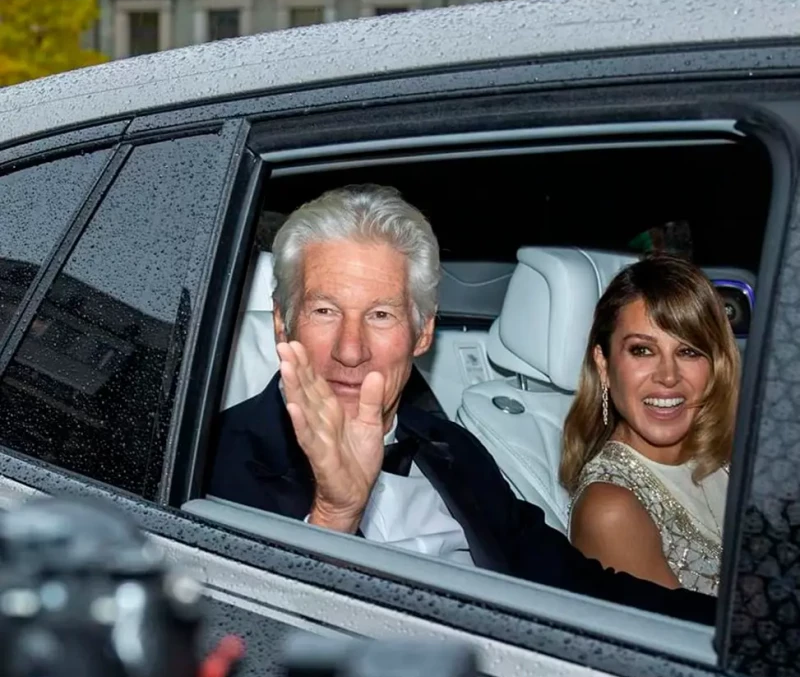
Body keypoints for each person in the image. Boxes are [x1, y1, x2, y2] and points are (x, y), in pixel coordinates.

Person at [208, 185, 713, 622]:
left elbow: (579, 587)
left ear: (423, 331)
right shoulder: (210, 462)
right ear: (282, 321)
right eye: (324, 310)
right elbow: (246, 659)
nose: (350, 349)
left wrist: (736, 632)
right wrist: (334, 515)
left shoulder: (450, 447)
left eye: (381, 315)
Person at [560, 254, 739, 597]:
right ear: (603, 363)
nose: (668, 376)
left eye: (688, 352)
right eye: (642, 350)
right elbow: (686, 646)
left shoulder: (733, 460)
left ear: (715, 365)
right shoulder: (611, 510)